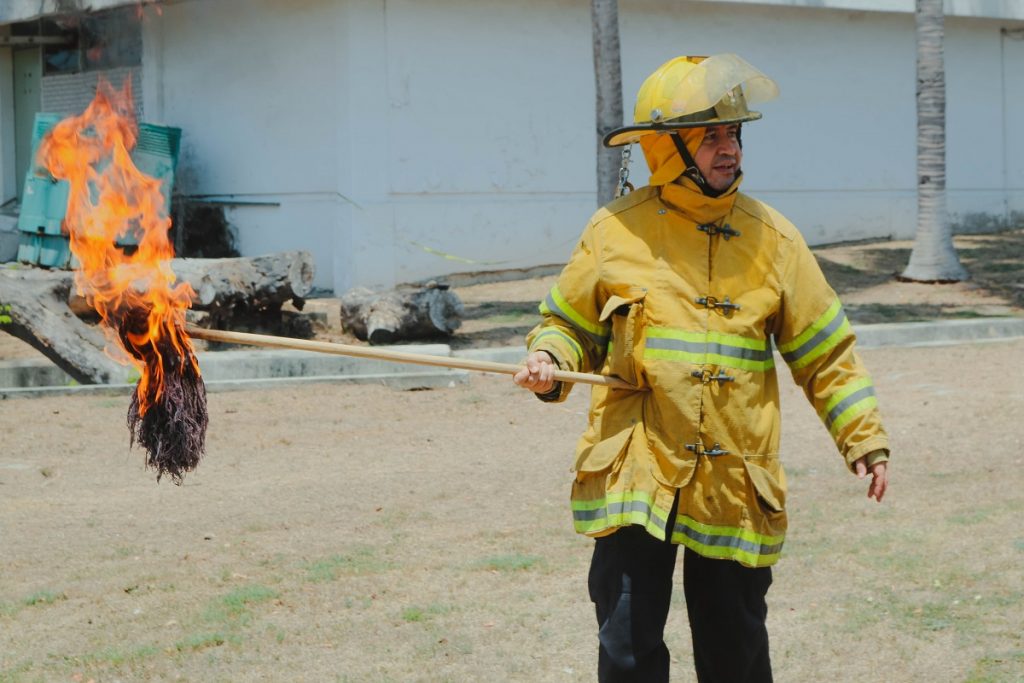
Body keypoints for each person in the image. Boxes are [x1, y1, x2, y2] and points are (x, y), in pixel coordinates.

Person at [513, 54, 890, 683]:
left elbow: (826, 353)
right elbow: (568, 324)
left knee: (735, 653)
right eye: (710, 135)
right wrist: (549, 358)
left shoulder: (777, 241)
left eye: (734, 133)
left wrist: (864, 437)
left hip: (734, 477)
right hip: (636, 471)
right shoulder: (613, 232)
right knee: (627, 649)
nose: (730, 148)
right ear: (667, 149)